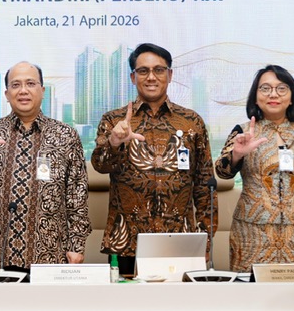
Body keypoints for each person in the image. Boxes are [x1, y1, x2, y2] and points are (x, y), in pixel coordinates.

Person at [91, 43, 217, 276]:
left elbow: (204, 185)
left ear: (170, 75)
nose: (151, 77)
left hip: (181, 239)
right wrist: (114, 141)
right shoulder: (114, 120)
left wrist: (206, 240)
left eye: (159, 70)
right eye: (143, 71)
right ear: (133, 77)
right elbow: (100, 165)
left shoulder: (192, 122)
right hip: (126, 241)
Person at [0, 61, 91, 271]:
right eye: (16, 85)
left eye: (30, 84)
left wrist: (77, 246)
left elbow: (77, 195)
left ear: (42, 91)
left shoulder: (65, 135)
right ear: (7, 94)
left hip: (49, 257)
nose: (23, 90)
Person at [214, 65, 294, 272]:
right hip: (251, 233)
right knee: (251, 289)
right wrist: (237, 155)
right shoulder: (243, 131)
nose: (273, 94)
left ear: (291, 97)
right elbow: (222, 172)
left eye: (281, 88)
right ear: (255, 96)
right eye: (265, 88)